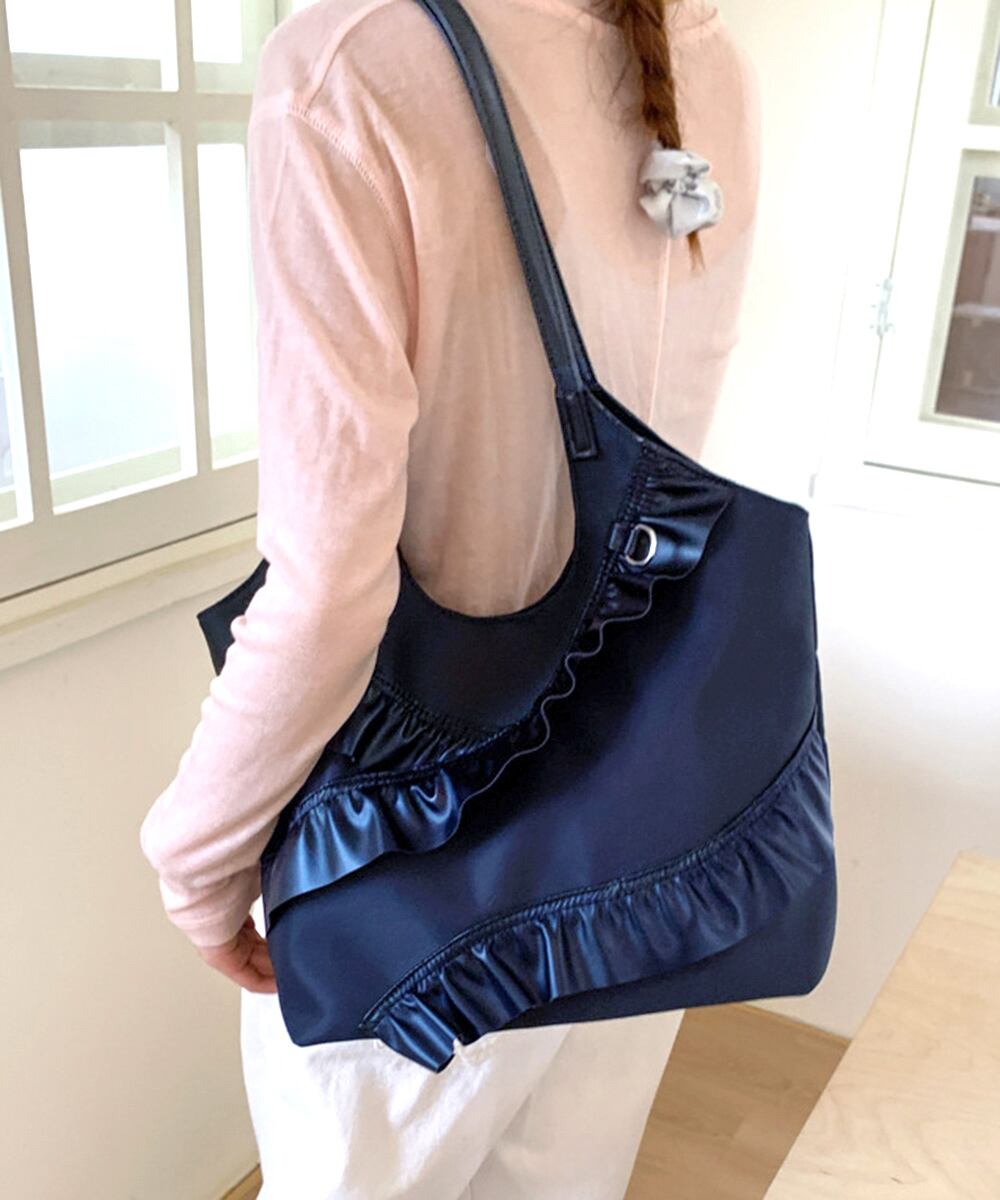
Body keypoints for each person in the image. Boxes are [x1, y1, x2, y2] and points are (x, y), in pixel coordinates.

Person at [139, 0, 761, 1195]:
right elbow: (673, 461)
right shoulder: (706, 58)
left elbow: (331, 587)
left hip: (422, 854)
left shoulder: (349, 67)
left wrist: (195, 859)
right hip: (644, 812)